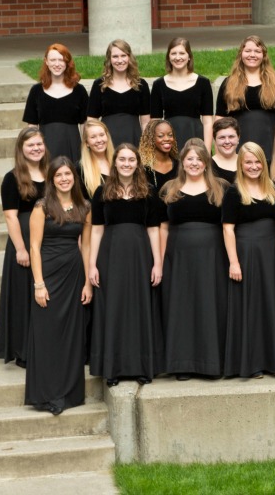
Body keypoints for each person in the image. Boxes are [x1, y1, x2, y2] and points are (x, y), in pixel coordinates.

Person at [88, 144, 163, 387]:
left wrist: (157, 263)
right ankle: (113, 368)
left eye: (132, 159)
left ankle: (141, 366)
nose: (127, 163)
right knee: (114, 308)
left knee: (139, 307)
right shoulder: (102, 192)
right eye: (122, 159)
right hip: (111, 257)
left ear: (138, 163)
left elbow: (154, 230)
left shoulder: (149, 192)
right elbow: (96, 231)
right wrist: (92, 265)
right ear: (115, 162)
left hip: (141, 255)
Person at [25, 157, 92, 415]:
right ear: (52, 180)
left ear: (74, 178)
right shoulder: (42, 207)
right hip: (49, 274)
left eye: (68, 174)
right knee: (47, 334)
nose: (64, 179)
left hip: (74, 275)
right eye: (59, 175)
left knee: (71, 336)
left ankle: (69, 394)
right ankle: (46, 395)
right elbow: (34, 247)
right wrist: (38, 284)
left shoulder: (84, 207)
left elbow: (85, 246)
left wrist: (87, 282)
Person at [159, 140, 229, 380]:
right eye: (190, 159)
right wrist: (160, 260)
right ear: (182, 162)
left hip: (213, 256)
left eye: (199, 159)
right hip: (178, 256)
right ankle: (183, 364)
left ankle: (212, 364)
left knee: (210, 304)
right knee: (182, 307)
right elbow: (163, 228)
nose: (194, 163)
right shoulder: (169, 188)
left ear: (206, 162)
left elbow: (230, 226)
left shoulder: (221, 187)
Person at [222, 142, 275, 378]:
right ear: (240, 164)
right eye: (248, 162)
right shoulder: (233, 191)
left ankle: (274, 360)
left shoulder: (273, 187)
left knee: (272, 303)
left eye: (257, 161)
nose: (253, 166)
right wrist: (234, 262)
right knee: (252, 306)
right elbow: (228, 229)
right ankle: (252, 362)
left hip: (272, 253)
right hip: (247, 253)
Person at [0, 128, 48, 367]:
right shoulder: (12, 177)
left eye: (39, 144)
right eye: (30, 145)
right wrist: (20, 248)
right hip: (24, 241)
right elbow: (10, 217)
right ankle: (24, 350)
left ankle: (44, 344)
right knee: (23, 296)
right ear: (21, 149)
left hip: (49, 240)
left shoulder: (52, 172)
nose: (36, 148)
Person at [216, 35, 275, 158]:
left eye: (257, 51)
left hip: (271, 145)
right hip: (238, 145)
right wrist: (219, 152)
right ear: (241, 54)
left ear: (264, 55)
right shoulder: (229, 83)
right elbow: (219, 119)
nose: (252, 55)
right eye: (248, 51)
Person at [23, 43, 89, 161]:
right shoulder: (36, 91)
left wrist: (86, 151)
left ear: (67, 62)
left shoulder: (79, 90)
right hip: (45, 148)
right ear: (46, 62)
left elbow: (85, 124)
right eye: (53, 60)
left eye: (61, 60)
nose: (57, 64)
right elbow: (32, 126)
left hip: (72, 147)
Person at [150, 37, 214, 150]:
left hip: (195, 138)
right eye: (173, 53)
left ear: (189, 56)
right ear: (168, 57)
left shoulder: (203, 83)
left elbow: (208, 122)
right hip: (168, 140)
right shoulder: (158, 84)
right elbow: (154, 122)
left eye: (182, 53)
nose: (177, 57)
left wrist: (207, 151)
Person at [87, 38, 150, 147]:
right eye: (115, 56)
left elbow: (146, 122)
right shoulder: (99, 85)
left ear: (129, 57)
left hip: (134, 138)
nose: (120, 60)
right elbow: (92, 120)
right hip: (107, 140)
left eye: (123, 55)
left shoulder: (141, 85)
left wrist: (146, 144)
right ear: (109, 59)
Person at [78, 119, 114, 198]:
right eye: (93, 137)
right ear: (87, 143)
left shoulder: (119, 163)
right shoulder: (80, 170)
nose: (99, 140)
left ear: (107, 137)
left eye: (101, 135)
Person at [140, 119, 179, 192]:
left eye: (170, 135)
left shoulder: (179, 166)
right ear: (151, 139)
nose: (167, 139)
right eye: (161, 136)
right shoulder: (142, 168)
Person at [211, 117, 241, 183]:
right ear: (214, 140)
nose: (227, 141)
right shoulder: (208, 166)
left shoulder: (247, 163)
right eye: (222, 137)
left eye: (231, 137)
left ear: (238, 138)